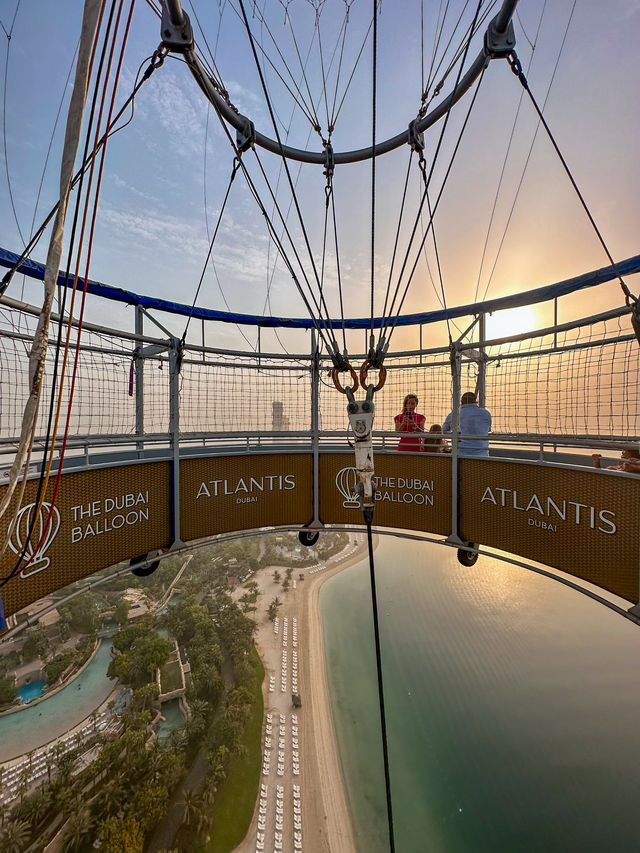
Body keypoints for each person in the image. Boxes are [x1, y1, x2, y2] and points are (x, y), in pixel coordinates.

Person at [442, 391, 492, 456]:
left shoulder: (454, 414)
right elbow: (488, 430)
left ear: (461, 401)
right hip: (482, 454)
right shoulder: (486, 413)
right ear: (475, 401)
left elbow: (444, 430)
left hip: (460, 455)